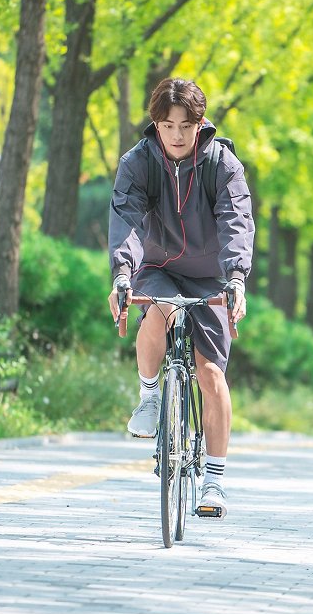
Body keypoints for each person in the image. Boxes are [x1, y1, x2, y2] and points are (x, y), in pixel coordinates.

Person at [107, 77, 254, 519]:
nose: (176, 135)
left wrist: (236, 279)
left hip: (212, 275)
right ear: (155, 123)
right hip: (158, 266)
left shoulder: (221, 164)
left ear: (200, 123)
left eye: (185, 126)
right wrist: (122, 273)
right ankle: (151, 395)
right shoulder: (138, 162)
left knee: (211, 377)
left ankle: (214, 482)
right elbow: (127, 217)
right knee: (159, 310)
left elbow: (236, 220)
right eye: (167, 125)